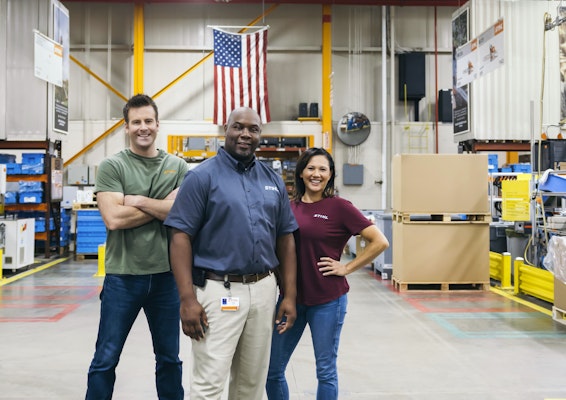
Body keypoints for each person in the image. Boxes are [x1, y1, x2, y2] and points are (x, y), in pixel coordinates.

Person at [164, 106, 298, 400]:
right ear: (226, 129)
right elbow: (180, 237)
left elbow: (285, 237)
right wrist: (187, 299)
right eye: (238, 127)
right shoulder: (201, 178)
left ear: (260, 134)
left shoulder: (272, 180)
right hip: (217, 290)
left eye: (253, 129)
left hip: (263, 290)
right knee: (209, 384)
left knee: (251, 385)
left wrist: (288, 295)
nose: (245, 135)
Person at [86, 94, 188, 400]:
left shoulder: (177, 166)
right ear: (126, 127)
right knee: (106, 359)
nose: (143, 127)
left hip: (167, 279)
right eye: (136, 122)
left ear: (158, 125)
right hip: (122, 277)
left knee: (169, 360)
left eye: (148, 121)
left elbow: (181, 214)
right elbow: (114, 219)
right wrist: (162, 206)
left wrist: (138, 200)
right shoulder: (112, 166)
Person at [266, 147, 389, 400]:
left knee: (325, 371)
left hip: (327, 301)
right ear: (301, 173)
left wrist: (346, 268)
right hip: (291, 300)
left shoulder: (340, 207)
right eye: (311, 168)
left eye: (323, 169)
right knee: (273, 370)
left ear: (330, 175)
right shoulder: (288, 207)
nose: (316, 174)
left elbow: (379, 241)